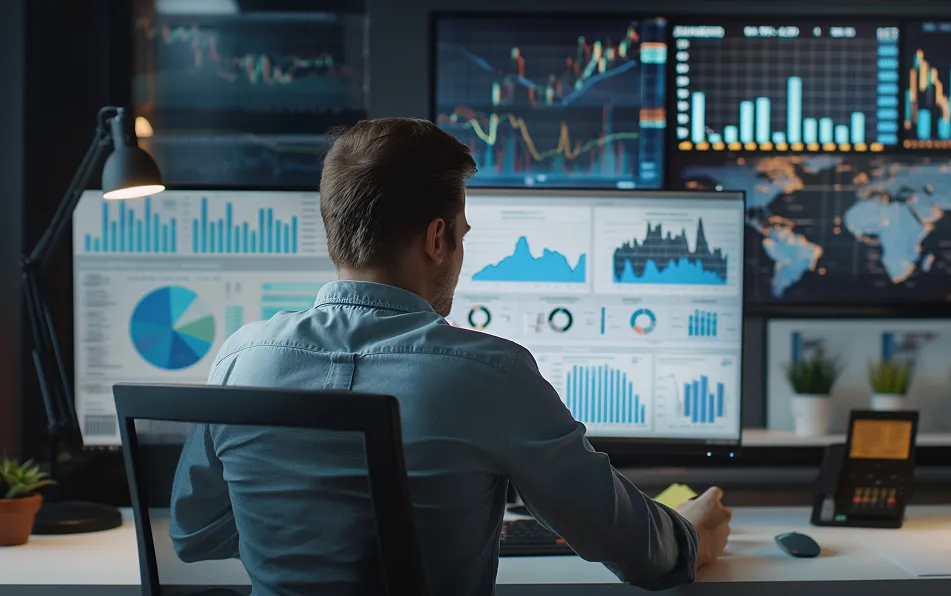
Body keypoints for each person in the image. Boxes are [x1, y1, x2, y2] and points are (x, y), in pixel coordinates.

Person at [169, 117, 732, 596]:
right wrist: (692, 535)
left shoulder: (242, 360)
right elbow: (636, 552)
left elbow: (194, 535)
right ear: (437, 240)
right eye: (462, 234)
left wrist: (308, 537)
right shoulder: (492, 374)